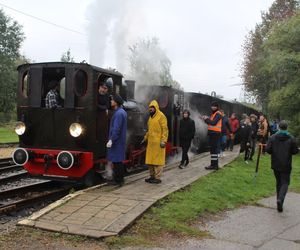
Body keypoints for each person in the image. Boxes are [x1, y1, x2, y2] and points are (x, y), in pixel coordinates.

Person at [266, 120, 298, 212]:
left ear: (278, 127)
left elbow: (268, 150)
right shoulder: (291, 138)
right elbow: (295, 151)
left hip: (275, 163)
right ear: (286, 128)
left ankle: (279, 202)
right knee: (285, 183)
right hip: (286, 164)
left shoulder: (272, 137)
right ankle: (280, 200)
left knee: (279, 182)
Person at [143, 100, 168, 184]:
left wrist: (164, 141)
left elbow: (165, 129)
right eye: (150, 107)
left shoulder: (161, 116)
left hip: (158, 143)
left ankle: (157, 178)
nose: (150, 109)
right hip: (151, 143)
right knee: (150, 161)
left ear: (156, 108)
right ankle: (152, 176)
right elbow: (149, 130)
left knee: (158, 162)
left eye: (152, 107)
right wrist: (145, 138)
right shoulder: (150, 118)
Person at [106, 94, 127, 186]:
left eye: (112, 100)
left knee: (117, 161)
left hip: (116, 141)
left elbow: (116, 129)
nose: (111, 101)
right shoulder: (122, 112)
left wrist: (111, 140)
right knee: (117, 161)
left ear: (116, 102)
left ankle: (118, 180)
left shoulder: (119, 113)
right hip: (119, 140)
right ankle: (119, 179)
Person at [203, 102, 222, 170]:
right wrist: (205, 119)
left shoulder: (218, 114)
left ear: (217, 107)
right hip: (213, 134)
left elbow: (213, 123)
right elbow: (210, 123)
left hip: (215, 134)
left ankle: (214, 165)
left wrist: (206, 119)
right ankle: (213, 165)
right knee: (213, 150)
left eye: (214, 106)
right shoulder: (213, 114)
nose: (213, 107)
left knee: (214, 150)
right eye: (212, 106)